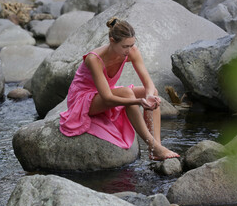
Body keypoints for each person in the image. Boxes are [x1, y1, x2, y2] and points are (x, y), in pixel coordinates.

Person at [60, 17, 179, 160]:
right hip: (83, 99)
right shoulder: (94, 59)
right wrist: (138, 101)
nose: (129, 50)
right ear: (112, 41)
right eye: (125, 46)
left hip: (105, 91)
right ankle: (153, 145)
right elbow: (107, 98)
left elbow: (148, 83)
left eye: (131, 45)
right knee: (128, 94)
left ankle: (156, 148)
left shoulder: (132, 51)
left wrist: (148, 96)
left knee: (153, 93)